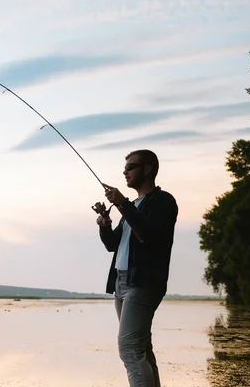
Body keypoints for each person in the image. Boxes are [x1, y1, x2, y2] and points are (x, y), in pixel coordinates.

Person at [96, 149, 178, 387]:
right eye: (125, 168)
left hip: (143, 284)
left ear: (147, 169)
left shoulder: (163, 202)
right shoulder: (131, 207)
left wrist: (122, 203)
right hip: (121, 284)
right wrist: (105, 224)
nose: (125, 171)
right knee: (141, 348)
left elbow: (147, 234)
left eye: (130, 167)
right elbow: (113, 245)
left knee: (130, 349)